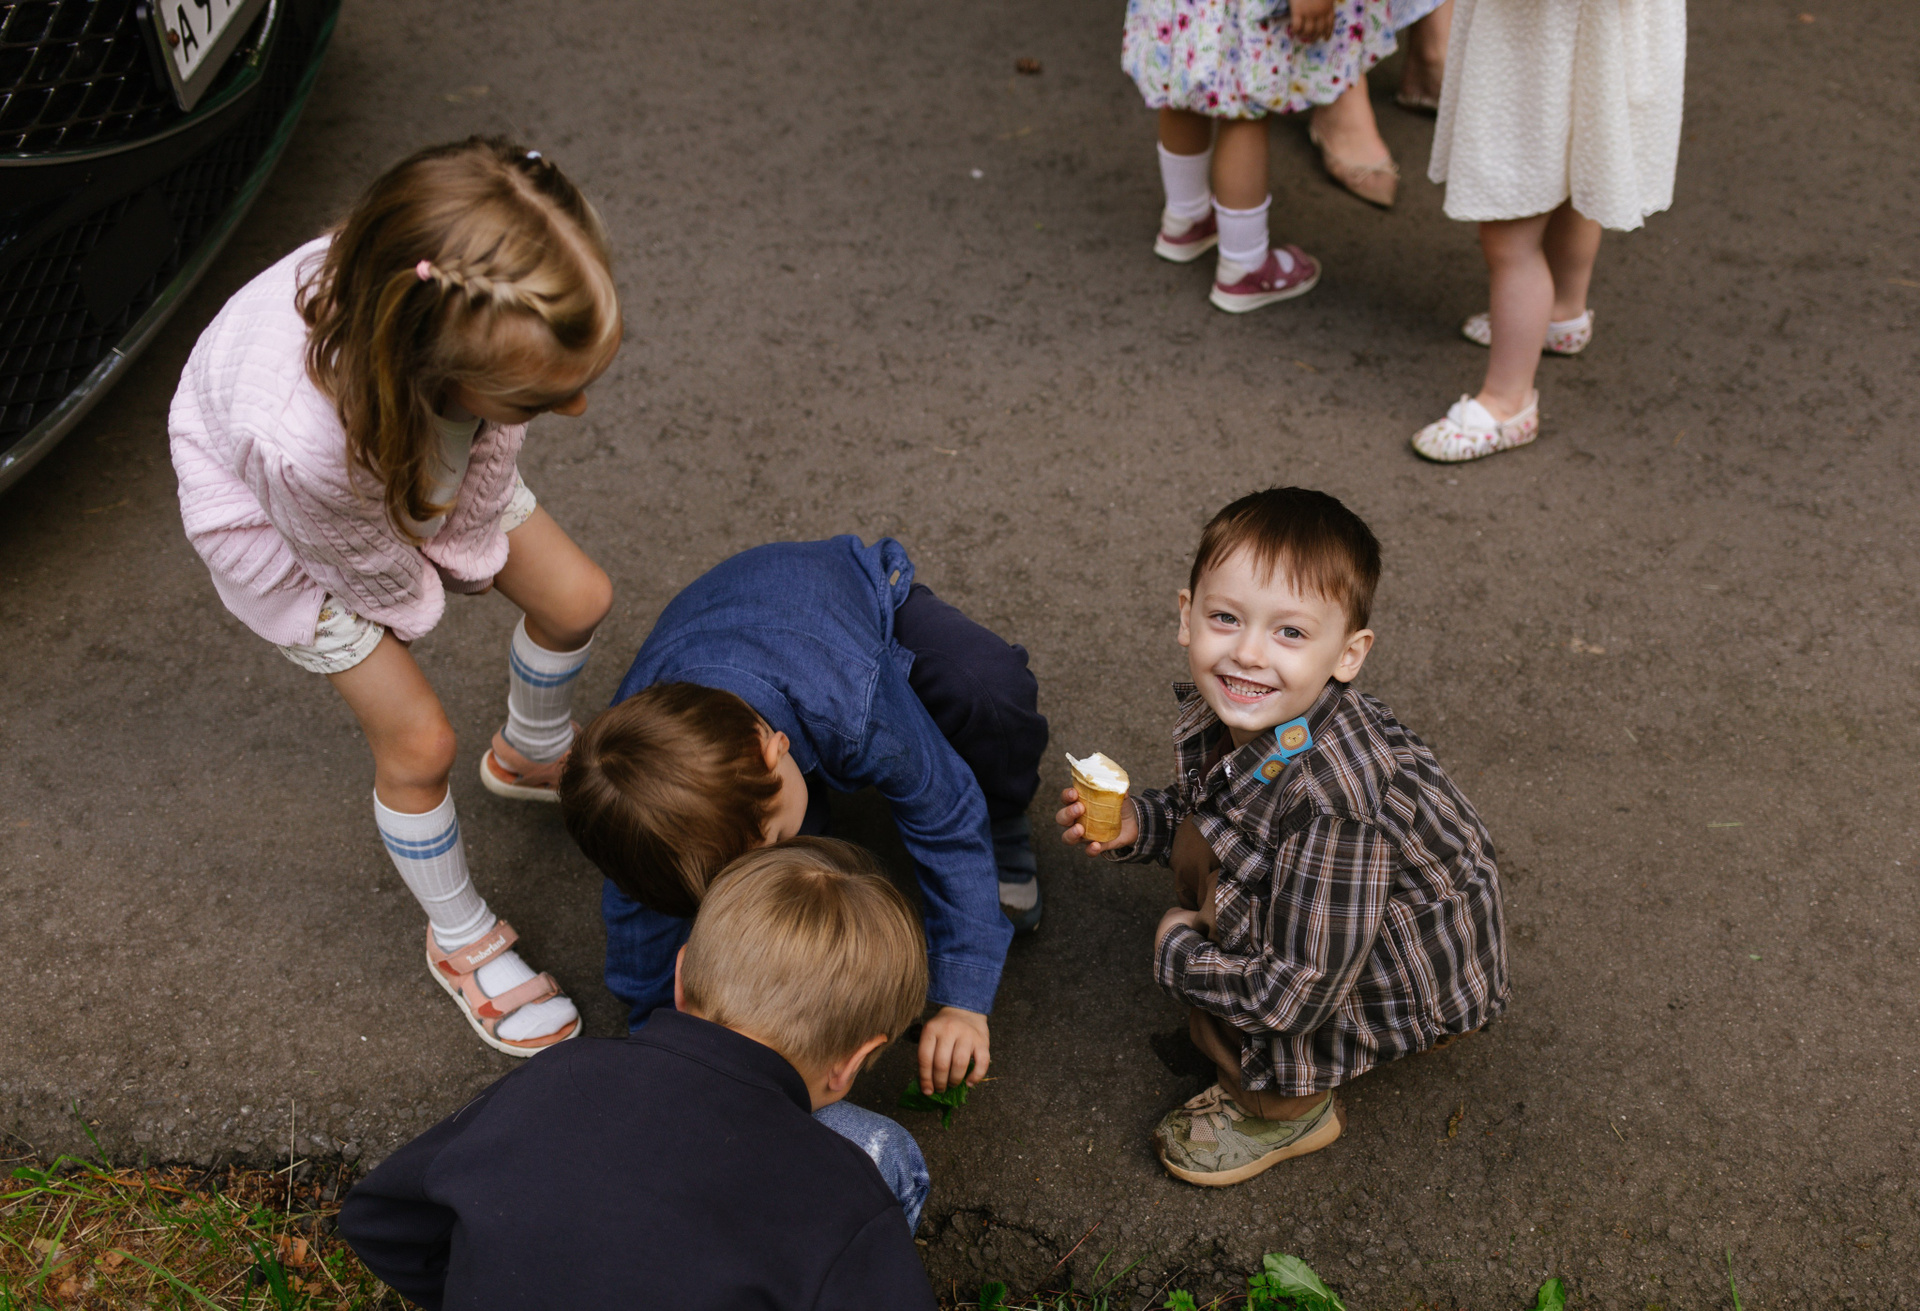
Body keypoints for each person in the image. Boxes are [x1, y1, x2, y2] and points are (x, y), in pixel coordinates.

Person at [169, 137, 620, 1056]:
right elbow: (363, 567)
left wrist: (467, 531)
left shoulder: (456, 303)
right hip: (280, 526)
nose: (575, 411)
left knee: (578, 596)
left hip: (405, 450)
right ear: (433, 365)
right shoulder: (299, 444)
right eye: (542, 399)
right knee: (418, 741)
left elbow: (485, 462)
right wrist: (416, 600)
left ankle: (530, 751)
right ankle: (458, 936)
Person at [1057, 488, 1508, 1186]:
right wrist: (1141, 823)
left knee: (1250, 957)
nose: (1247, 652)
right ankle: (1238, 989)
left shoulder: (1335, 808)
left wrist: (1179, 952)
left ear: (1348, 654)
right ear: (1186, 616)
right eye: (1226, 618)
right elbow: (1217, 807)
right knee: (1208, 843)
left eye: (1290, 632)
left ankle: (1282, 1109)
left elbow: (1299, 992)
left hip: (1383, 977)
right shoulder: (1271, 722)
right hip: (1339, 925)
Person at [338, 838, 939, 1311]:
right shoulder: (844, 1194)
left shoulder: (559, 1073)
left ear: (679, 976)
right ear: (854, 1060)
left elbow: (379, 1223)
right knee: (882, 1147)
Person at [559, 536, 1047, 1097]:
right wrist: (660, 1028)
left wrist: (962, 999)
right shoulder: (635, 784)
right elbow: (638, 905)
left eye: (772, 839)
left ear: (774, 749)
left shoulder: (851, 701)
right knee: (782, 850)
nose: (767, 864)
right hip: (731, 638)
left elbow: (944, 806)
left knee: (986, 685)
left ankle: (1003, 822)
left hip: (856, 607)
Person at [1410, 0, 1686, 461]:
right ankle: (1562, 314)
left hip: (1536, 32)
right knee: (1578, 157)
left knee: (1510, 228)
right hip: (1593, 28)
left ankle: (1507, 402)